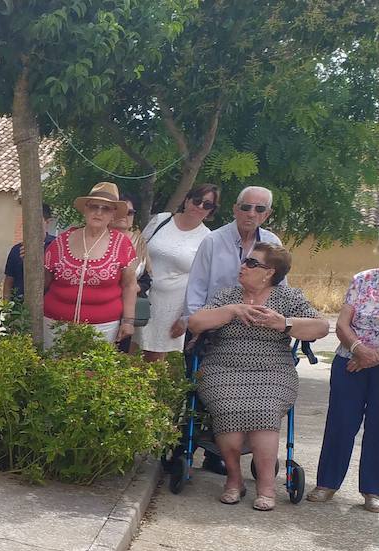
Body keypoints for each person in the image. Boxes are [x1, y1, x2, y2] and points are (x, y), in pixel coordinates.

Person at [187, 244, 329, 511]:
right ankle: (234, 479)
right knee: (228, 406)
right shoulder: (228, 295)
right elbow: (195, 323)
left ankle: (266, 487)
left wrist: (284, 323)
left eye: (252, 263)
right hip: (222, 368)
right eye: (244, 261)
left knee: (264, 409)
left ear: (269, 272)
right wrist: (232, 311)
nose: (243, 266)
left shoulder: (288, 297)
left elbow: (321, 327)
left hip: (273, 370)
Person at [308, 267, 379, 512]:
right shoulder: (362, 279)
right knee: (341, 422)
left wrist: (372, 356)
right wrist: (359, 350)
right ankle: (327, 483)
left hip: (368, 360)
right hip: (349, 361)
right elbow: (341, 324)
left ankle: (373, 489)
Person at [42, 182, 138, 347]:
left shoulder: (122, 244)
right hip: (55, 324)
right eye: (94, 206)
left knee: (93, 373)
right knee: (52, 371)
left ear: (113, 214)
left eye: (106, 208)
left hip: (103, 328)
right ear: (85, 209)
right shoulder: (60, 242)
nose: (99, 212)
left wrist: (128, 320)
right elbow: (43, 282)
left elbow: (130, 285)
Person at [136, 183, 218, 360]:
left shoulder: (208, 238)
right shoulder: (161, 220)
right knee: (128, 352)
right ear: (187, 200)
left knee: (154, 361)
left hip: (171, 307)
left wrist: (185, 317)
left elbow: (203, 281)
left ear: (211, 211)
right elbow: (138, 252)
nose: (200, 207)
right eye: (197, 200)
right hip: (141, 296)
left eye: (208, 205)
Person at [182, 186, 283, 325]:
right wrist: (194, 326)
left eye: (259, 209)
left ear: (267, 214)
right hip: (214, 327)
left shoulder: (272, 243)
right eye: (246, 207)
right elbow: (196, 289)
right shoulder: (212, 241)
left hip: (258, 326)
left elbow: (280, 287)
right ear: (235, 209)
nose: (251, 214)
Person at [2, 202, 55, 303]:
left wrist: (34, 261)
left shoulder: (56, 246)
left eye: (37, 220)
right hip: (18, 309)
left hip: (48, 309)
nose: (32, 224)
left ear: (48, 222)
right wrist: (6, 308)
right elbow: (9, 281)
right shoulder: (16, 249)